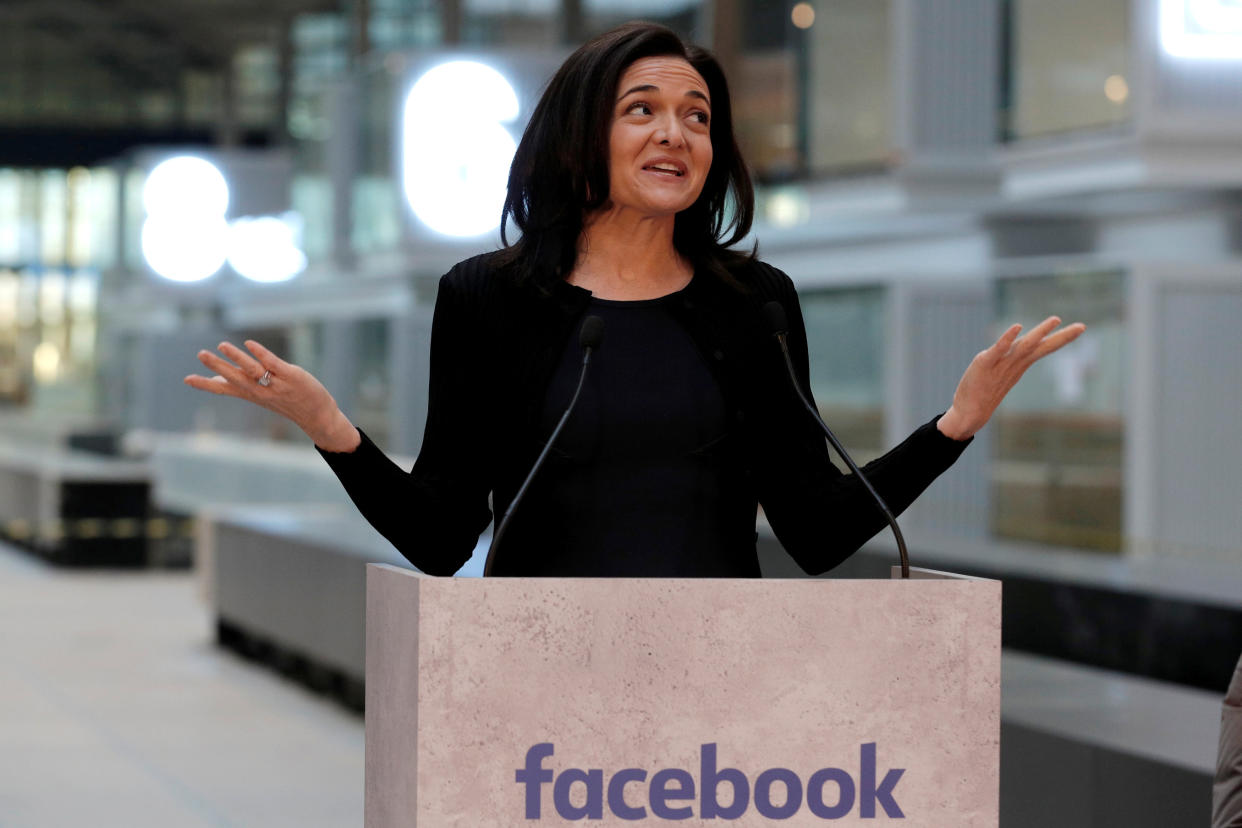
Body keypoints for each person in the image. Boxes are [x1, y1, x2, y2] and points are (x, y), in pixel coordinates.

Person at [184, 22, 1084, 577]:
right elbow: (441, 537)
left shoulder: (755, 304)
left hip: (716, 693)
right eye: (642, 109)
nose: (676, 133)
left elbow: (814, 529)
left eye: (697, 115)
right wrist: (330, 427)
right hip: (538, 681)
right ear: (584, 133)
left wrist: (953, 427)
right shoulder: (489, 299)